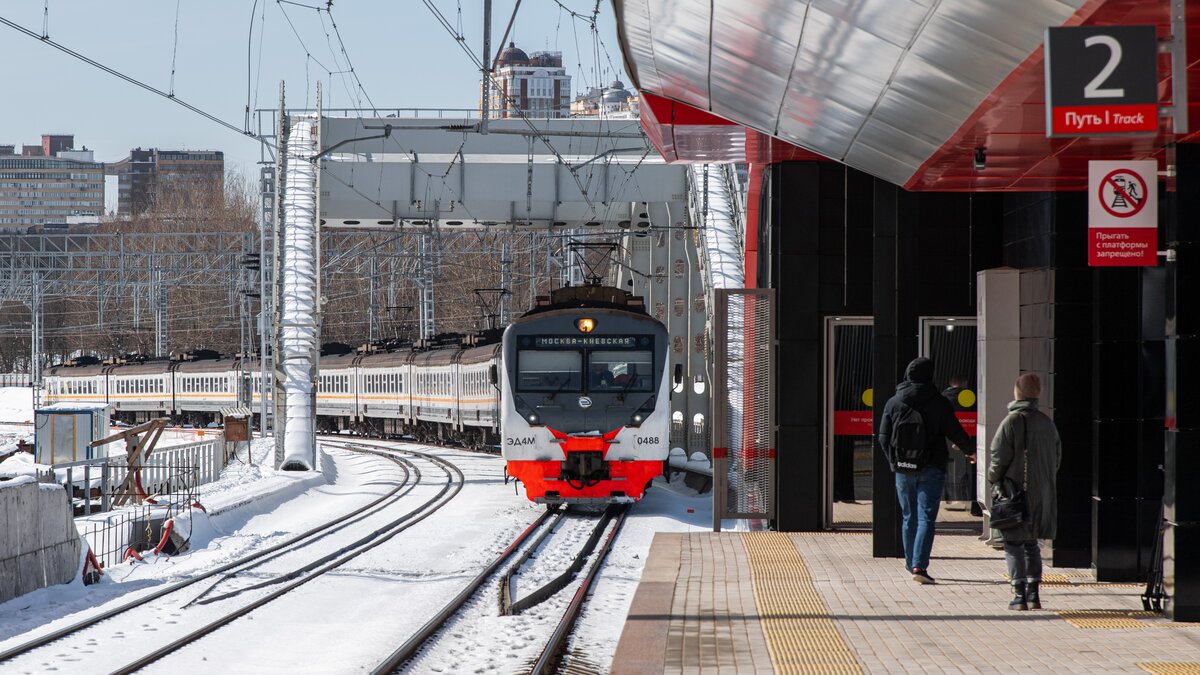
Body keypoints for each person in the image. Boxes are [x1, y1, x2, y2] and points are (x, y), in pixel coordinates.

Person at [878, 357, 974, 584]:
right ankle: (919, 567)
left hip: (903, 468)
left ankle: (911, 563)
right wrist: (970, 451)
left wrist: (894, 461)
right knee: (926, 518)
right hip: (932, 466)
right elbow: (955, 431)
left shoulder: (894, 402)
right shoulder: (939, 402)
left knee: (909, 517)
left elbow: (883, 437)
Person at [987, 373, 1060, 611]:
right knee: (1032, 544)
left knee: (1013, 543)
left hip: (1016, 494)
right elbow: (1056, 458)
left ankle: (1018, 594)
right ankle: (1033, 593)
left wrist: (993, 479)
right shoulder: (1047, 422)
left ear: (1017, 393)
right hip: (1042, 494)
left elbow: (998, 457)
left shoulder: (1012, 421)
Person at [941, 375, 976, 510]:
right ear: (965, 382)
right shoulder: (971, 399)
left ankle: (950, 499)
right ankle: (964, 498)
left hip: (947, 439)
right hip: (966, 439)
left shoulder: (943, 398)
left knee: (950, 468)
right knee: (965, 468)